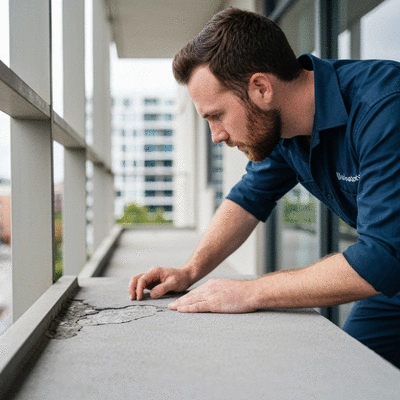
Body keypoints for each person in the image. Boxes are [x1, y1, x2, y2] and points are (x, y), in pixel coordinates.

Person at [129, 7, 400, 367]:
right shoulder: (285, 130)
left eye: (216, 115)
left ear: (261, 88)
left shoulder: (383, 107)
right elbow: (247, 199)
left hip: (388, 265)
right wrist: (190, 271)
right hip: (392, 286)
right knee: (347, 372)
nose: (216, 136)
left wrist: (251, 291)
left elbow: (381, 258)